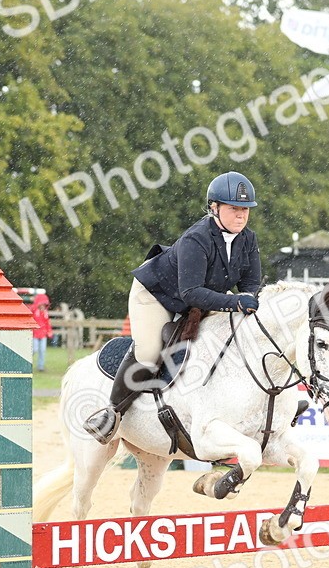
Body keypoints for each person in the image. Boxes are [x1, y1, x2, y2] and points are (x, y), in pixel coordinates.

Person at [83, 171, 263, 443]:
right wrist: (235, 302)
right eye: (234, 208)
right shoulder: (197, 238)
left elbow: (250, 284)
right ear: (214, 208)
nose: (241, 215)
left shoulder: (248, 239)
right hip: (157, 294)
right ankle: (112, 412)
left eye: (245, 209)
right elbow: (191, 292)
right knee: (149, 352)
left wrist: (248, 301)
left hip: (201, 296)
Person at [30, 293, 53, 372]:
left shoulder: (45, 313)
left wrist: (49, 331)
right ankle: (27, 362)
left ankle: (41, 366)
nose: (43, 306)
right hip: (35, 334)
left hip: (43, 334)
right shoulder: (34, 311)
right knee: (34, 349)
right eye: (41, 304)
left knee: (42, 351)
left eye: (44, 304)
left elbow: (47, 323)